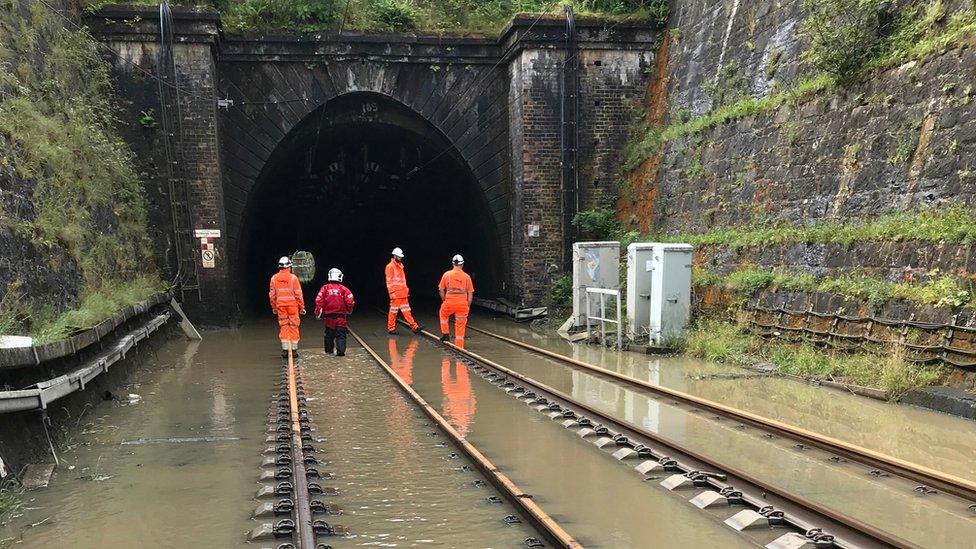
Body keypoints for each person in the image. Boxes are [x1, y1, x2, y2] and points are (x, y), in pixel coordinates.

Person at [269, 256, 305, 359]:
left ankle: (285, 350)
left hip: (281, 306)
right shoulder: (293, 278)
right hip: (293, 306)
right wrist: (302, 307)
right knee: (294, 326)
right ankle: (294, 351)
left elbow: (272, 295)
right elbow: (298, 294)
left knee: (284, 326)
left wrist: (274, 307)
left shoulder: (274, 278)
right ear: (289, 267)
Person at [314, 268, 355, 356]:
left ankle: (329, 352)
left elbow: (318, 301)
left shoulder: (325, 288)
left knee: (329, 336)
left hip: (329, 319)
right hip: (341, 319)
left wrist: (318, 313)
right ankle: (340, 352)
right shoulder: (344, 289)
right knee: (341, 336)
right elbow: (350, 301)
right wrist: (349, 310)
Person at [438, 254, 474, 348]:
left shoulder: (447, 275)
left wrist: (444, 300)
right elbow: (470, 293)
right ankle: (459, 346)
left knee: (443, 314)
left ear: (453, 264)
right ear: (462, 265)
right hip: (462, 304)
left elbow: (441, 289)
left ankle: (445, 334)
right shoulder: (467, 277)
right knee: (460, 325)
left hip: (449, 302)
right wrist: (468, 306)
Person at [385, 247, 422, 335]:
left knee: (406, 311)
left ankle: (414, 327)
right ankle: (391, 328)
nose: (400, 258)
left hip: (403, 293)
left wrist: (406, 290)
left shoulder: (400, 266)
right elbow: (389, 281)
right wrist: (391, 292)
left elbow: (402, 281)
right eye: (399, 256)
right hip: (396, 294)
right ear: (394, 256)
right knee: (393, 312)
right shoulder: (390, 267)